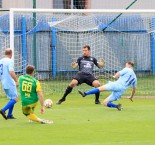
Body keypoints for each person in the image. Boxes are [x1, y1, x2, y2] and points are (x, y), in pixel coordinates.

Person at [0, 48, 18, 120]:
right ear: (11, 54)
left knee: (12, 98)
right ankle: (3, 110)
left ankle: (9, 115)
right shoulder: (10, 61)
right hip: (9, 82)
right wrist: (16, 80)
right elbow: (11, 72)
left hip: (4, 82)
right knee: (15, 99)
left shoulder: (1, 61)